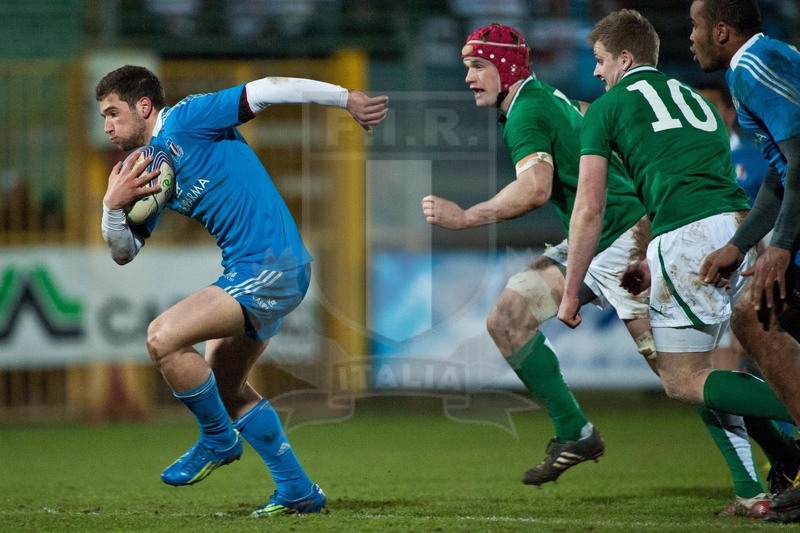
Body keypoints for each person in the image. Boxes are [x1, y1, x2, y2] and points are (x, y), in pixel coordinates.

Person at [420, 24, 772, 511]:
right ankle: (576, 433)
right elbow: (585, 124)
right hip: (593, 243)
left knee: (684, 375)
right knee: (509, 318)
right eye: (466, 67)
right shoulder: (541, 99)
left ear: (505, 67)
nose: (469, 78)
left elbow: (536, 188)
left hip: (620, 240)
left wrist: (467, 216)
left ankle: (767, 466)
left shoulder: (527, 111)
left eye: (478, 66)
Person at [96, 65, 388, 516]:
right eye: (103, 117)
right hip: (255, 270)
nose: (107, 126)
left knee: (162, 336)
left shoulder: (189, 118)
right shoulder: (150, 165)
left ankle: (216, 441)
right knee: (225, 386)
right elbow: (123, 252)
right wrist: (111, 208)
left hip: (271, 266)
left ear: (144, 106)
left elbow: (267, 89)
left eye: (113, 113)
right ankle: (296, 489)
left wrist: (345, 98)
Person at [557, 8, 799, 504]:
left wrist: (569, 292)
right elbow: (699, 183)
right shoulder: (698, 99)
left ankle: (790, 438)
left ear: (624, 59)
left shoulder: (606, 109)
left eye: (600, 60)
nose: (597, 72)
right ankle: (757, 482)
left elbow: (589, 208)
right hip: (737, 229)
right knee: (724, 363)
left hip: (689, 238)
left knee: (684, 379)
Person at [688, 0, 800, 521]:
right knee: (757, 320)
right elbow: (780, 174)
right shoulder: (759, 66)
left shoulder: (756, 67)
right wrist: (741, 244)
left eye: (696, 26)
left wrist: (778, 246)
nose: (690, 38)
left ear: (723, 31)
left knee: (752, 316)